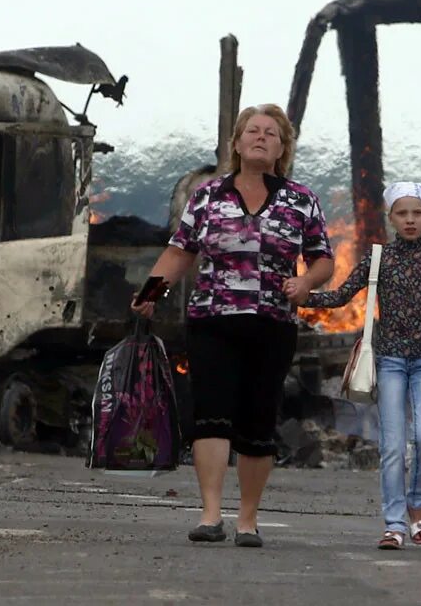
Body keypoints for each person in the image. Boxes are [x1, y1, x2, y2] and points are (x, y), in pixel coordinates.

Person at [132, 104, 334, 548]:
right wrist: (150, 295)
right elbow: (180, 251)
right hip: (212, 322)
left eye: (271, 134)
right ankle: (210, 515)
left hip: (272, 324)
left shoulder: (302, 199)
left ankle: (247, 519)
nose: (261, 138)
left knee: (259, 422)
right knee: (211, 416)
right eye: (253, 131)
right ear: (238, 143)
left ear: (282, 148)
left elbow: (323, 260)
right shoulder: (207, 196)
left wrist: (305, 282)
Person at [299, 181, 421, 550]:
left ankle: (417, 503)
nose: (410, 220)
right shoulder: (378, 257)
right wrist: (303, 296)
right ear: (392, 218)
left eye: (417, 213)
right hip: (391, 362)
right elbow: (341, 295)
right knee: (393, 446)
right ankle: (395, 524)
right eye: (402, 213)